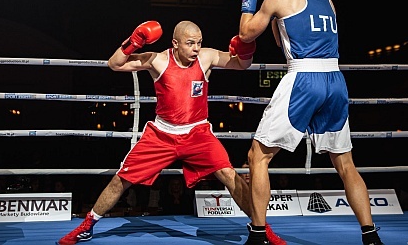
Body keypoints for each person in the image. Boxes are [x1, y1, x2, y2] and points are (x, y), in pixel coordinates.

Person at [56, 20, 285, 245]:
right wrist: (133, 42)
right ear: (175, 43)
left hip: (197, 132)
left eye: (199, 42)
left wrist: (246, 51)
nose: (196, 48)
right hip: (162, 134)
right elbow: (115, 64)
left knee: (229, 174)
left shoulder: (206, 57)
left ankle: (261, 228)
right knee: (121, 179)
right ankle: (86, 226)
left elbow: (241, 65)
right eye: (190, 43)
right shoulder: (158, 60)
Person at [237, 0, 384, 245]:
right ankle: (370, 235)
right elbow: (285, 37)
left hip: (304, 79)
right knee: (345, 164)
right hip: (335, 80)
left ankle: (257, 235)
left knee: (258, 157)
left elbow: (245, 34)